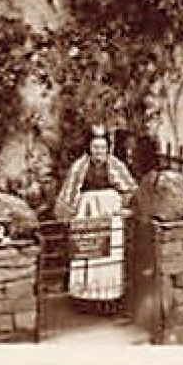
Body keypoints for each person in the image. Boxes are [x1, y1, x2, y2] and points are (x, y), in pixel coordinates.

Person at [54, 127, 137, 309]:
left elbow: (130, 189)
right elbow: (70, 192)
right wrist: (68, 213)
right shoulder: (79, 167)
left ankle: (109, 295)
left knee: (109, 253)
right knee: (87, 251)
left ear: (108, 149)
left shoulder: (116, 166)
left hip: (109, 211)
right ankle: (84, 296)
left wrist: (124, 208)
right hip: (87, 211)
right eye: (95, 147)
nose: (99, 152)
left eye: (102, 148)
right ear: (89, 149)